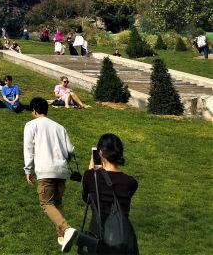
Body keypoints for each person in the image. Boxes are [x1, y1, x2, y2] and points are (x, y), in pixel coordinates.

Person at [23, 97, 78, 252]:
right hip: (61, 171)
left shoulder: (31, 125)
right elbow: (71, 150)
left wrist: (28, 170)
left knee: (46, 203)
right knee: (57, 203)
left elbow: (28, 149)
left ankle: (67, 229)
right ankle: (62, 237)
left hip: (45, 170)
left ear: (34, 111)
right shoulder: (59, 127)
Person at [81, 133, 139, 254]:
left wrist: (92, 170)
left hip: (97, 237)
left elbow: (86, 198)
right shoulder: (131, 182)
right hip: (121, 238)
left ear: (100, 152)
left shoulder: (90, 176)